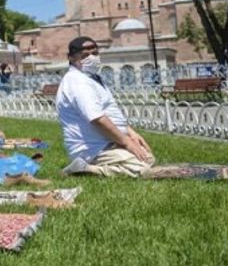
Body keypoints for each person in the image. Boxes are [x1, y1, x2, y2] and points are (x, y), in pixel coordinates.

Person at [56, 36, 155, 177]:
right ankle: (84, 169)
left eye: (94, 53)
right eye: (85, 55)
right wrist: (127, 143)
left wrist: (130, 133)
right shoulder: (77, 81)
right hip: (93, 148)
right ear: (71, 58)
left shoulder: (91, 78)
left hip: (108, 142)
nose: (91, 58)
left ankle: (95, 166)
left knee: (148, 159)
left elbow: (108, 111)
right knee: (142, 169)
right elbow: (97, 118)